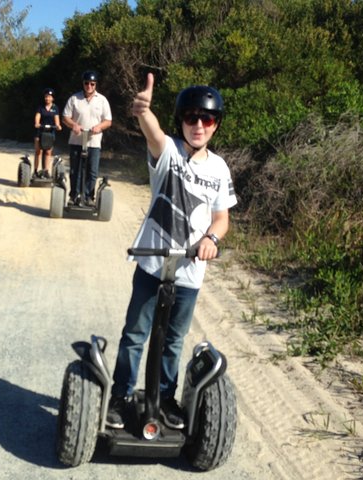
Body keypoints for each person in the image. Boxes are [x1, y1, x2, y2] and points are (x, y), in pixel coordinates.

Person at [106, 73, 237, 430]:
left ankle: (164, 399)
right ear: (181, 120)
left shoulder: (220, 168)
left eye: (206, 119)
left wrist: (212, 239)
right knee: (136, 333)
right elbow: (153, 133)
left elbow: (221, 218)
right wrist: (143, 111)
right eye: (191, 117)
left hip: (190, 271)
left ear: (216, 124)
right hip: (152, 263)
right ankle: (120, 397)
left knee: (174, 340)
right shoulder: (168, 154)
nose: (198, 125)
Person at [61, 70, 112, 206]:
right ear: (83, 84)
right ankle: (74, 195)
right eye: (87, 83)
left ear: (95, 85)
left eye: (92, 84)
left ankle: (89, 197)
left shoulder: (102, 100)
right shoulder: (74, 99)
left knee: (92, 171)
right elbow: (65, 117)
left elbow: (108, 120)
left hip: (94, 142)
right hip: (76, 140)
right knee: (75, 170)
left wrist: (99, 127)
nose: (89, 86)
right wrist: (74, 125)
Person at [33, 87, 61, 178]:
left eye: (49, 97)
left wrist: (58, 125)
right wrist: (37, 123)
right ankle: (36, 171)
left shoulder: (55, 108)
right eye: (46, 96)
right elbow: (38, 116)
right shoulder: (40, 107)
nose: (47, 98)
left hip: (50, 132)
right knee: (38, 151)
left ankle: (46, 171)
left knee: (48, 152)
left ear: (52, 98)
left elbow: (56, 119)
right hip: (40, 131)